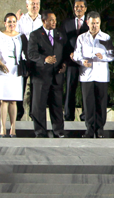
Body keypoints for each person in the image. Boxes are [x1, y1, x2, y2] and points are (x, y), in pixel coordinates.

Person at [73, 11, 114, 138]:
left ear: (100, 23)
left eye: (97, 23)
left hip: (101, 75)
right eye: (92, 23)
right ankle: (90, 129)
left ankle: (100, 129)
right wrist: (82, 61)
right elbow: (76, 54)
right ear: (87, 23)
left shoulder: (106, 37)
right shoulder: (81, 38)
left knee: (101, 103)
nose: (94, 26)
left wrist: (104, 57)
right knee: (88, 103)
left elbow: (112, 55)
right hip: (87, 75)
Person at [27, 10, 67, 138]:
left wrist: (64, 64)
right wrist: (44, 59)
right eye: (51, 20)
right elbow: (31, 54)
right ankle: (40, 132)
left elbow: (65, 52)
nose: (54, 22)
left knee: (57, 105)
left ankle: (59, 131)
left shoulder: (60, 34)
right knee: (39, 105)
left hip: (57, 76)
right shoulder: (35, 35)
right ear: (44, 21)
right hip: (41, 76)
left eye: (55, 20)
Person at [0, 13, 27, 137]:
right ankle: (2, 128)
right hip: (3, 69)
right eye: (9, 22)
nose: (12, 24)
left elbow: (25, 54)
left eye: (14, 22)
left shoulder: (21, 37)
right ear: (5, 23)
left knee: (13, 101)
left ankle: (13, 128)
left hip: (16, 70)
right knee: (4, 100)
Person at [15, 0, 42, 121]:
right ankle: (18, 113)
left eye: (37, 4)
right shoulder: (20, 21)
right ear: (27, 6)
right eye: (32, 4)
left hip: (38, 60)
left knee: (36, 88)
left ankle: (34, 114)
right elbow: (16, 38)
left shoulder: (43, 20)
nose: (35, 6)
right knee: (20, 87)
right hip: (23, 59)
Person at [61, 0, 88, 122]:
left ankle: (85, 115)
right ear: (74, 8)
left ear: (85, 9)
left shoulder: (90, 23)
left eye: (81, 6)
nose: (79, 9)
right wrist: (68, 55)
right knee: (70, 88)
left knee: (85, 89)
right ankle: (68, 116)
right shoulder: (67, 24)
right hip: (71, 62)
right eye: (77, 6)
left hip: (85, 62)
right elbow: (63, 43)